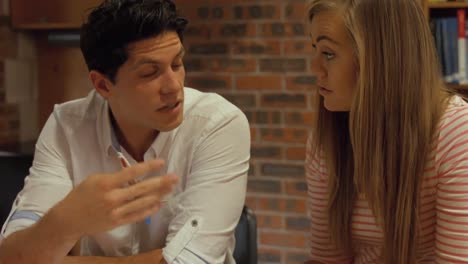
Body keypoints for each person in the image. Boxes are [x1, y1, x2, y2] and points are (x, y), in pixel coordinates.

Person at [0, 0, 250, 263]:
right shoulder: (67, 126)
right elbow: (12, 257)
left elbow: (191, 261)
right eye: (150, 73)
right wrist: (67, 222)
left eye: (177, 64)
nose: (173, 86)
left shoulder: (216, 124)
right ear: (103, 85)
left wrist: (58, 257)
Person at [304, 0, 468, 263]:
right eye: (315, 49)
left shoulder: (456, 134)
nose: (314, 68)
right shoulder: (326, 140)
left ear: (379, 60)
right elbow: (328, 259)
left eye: (328, 53)